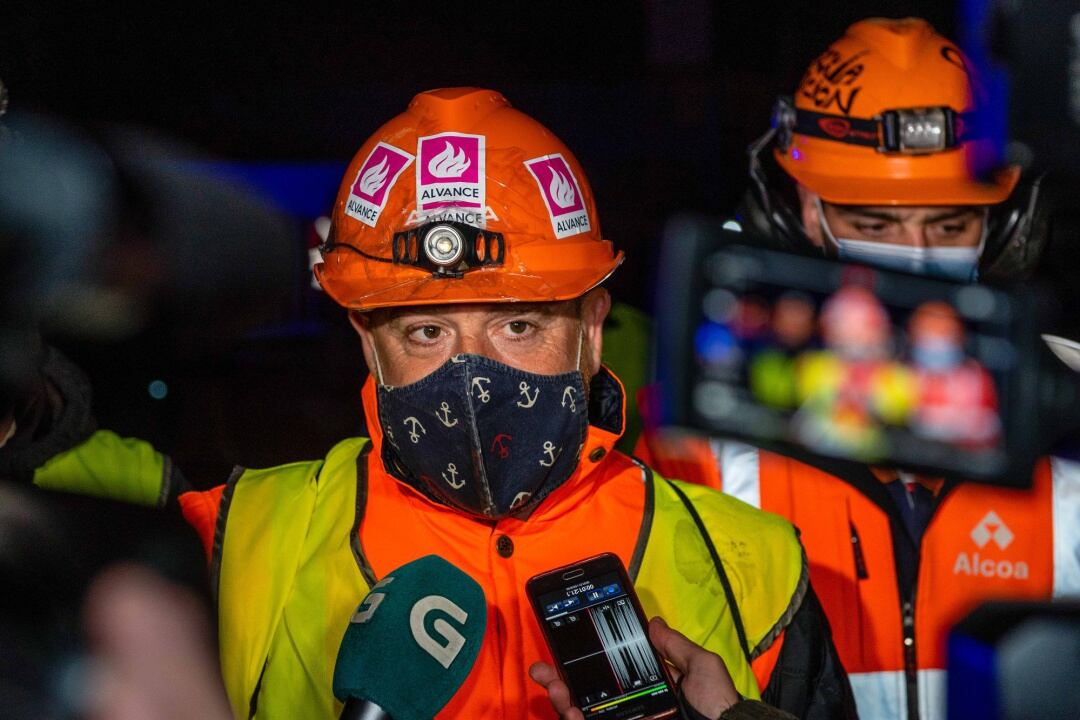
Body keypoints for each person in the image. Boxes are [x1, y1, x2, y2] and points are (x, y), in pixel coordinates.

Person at [4, 88, 856, 719]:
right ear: (366, 342)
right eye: (425, 333)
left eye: (519, 324)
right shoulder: (224, 545)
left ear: (593, 328)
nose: (474, 376)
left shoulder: (752, 563)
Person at [638, 18, 1080, 720]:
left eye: (949, 224)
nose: (913, 255)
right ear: (807, 213)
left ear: (1002, 226)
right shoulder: (700, 447)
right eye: (874, 224)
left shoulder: (1066, 423)